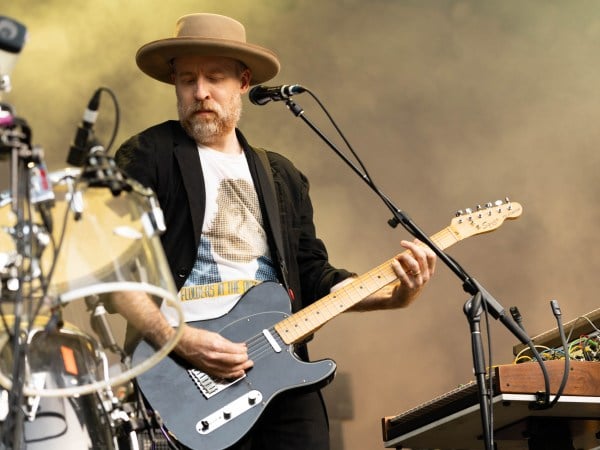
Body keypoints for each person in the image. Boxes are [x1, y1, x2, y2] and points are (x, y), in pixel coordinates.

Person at [113, 12, 436, 450]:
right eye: (187, 79)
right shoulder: (146, 156)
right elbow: (110, 272)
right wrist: (181, 339)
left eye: (214, 77)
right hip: (182, 377)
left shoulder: (281, 174)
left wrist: (394, 296)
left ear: (244, 81)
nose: (200, 91)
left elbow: (313, 275)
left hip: (279, 372)